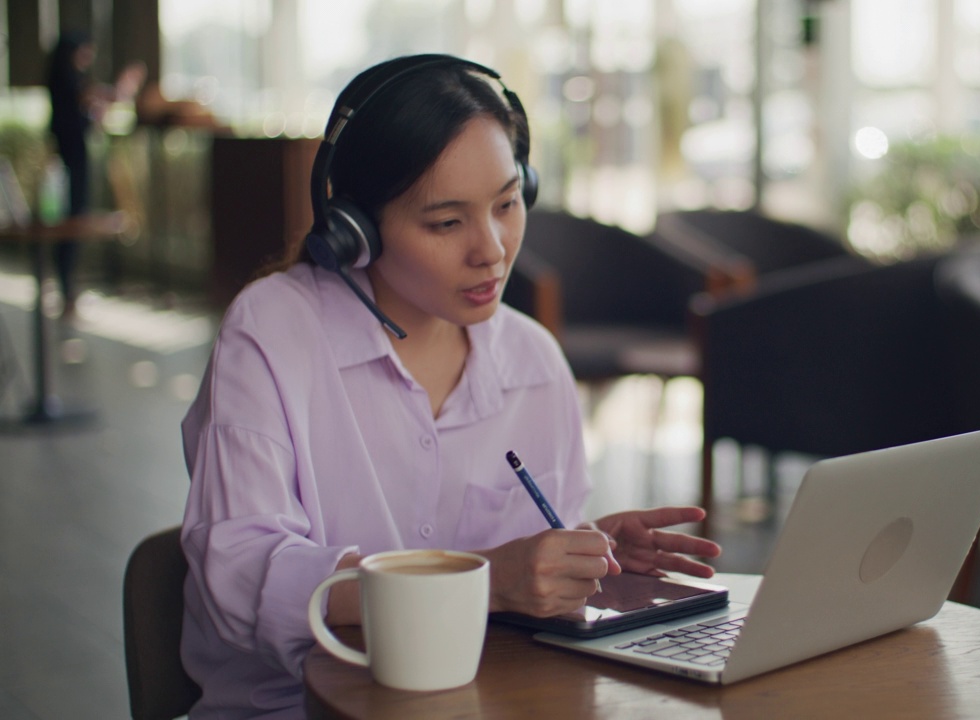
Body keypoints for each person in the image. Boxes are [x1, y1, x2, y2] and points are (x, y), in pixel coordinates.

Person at [179, 55, 721, 719]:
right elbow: (239, 581)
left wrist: (580, 555)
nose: (491, 249)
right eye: (446, 222)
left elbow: (519, 583)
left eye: (506, 203)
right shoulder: (272, 333)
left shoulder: (532, 361)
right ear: (356, 231)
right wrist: (490, 579)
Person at [44, 31, 144, 318]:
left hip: (68, 156)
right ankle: (66, 291)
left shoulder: (62, 79)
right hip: (72, 159)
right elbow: (99, 97)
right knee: (72, 223)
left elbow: (90, 110)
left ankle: (67, 289)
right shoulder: (69, 78)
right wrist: (121, 89)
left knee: (70, 223)